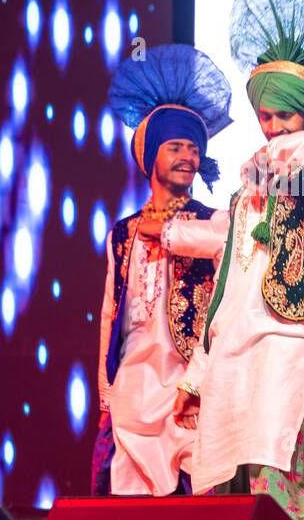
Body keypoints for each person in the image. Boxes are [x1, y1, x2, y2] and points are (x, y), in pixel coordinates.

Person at [146, 0, 304, 520]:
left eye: (281, 115)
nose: (270, 128)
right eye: (263, 117)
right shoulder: (246, 194)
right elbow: (230, 289)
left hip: (287, 347)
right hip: (233, 354)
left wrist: (280, 152)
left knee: (278, 478)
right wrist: (197, 377)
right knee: (227, 492)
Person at [90, 44, 232, 496]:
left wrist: (167, 231)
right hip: (133, 387)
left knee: (193, 515)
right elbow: (110, 314)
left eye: (194, 148)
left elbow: (228, 248)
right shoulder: (122, 232)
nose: (188, 156)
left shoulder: (215, 221)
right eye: (175, 146)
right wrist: (105, 397)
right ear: (151, 156)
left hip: (189, 389)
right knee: (126, 514)